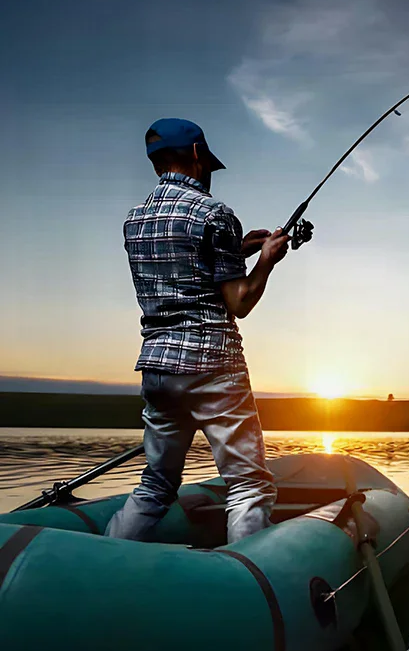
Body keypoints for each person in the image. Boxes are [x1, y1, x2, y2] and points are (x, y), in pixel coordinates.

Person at [105, 118, 290, 543]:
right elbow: (239, 302)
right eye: (206, 160)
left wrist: (235, 248)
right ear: (195, 155)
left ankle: (105, 559)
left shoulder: (134, 221)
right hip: (212, 366)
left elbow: (180, 267)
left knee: (155, 486)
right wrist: (266, 261)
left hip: (157, 368)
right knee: (247, 484)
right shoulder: (215, 213)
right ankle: (246, 585)